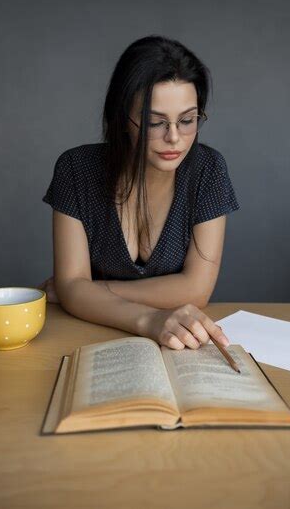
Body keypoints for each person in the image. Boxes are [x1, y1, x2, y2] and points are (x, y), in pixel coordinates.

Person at [39, 34, 240, 351]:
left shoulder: (208, 170)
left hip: (181, 342)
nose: (174, 138)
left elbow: (197, 291)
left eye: (187, 120)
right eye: (155, 122)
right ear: (122, 119)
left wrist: (85, 290)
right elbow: (71, 287)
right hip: (87, 339)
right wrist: (149, 320)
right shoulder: (75, 170)